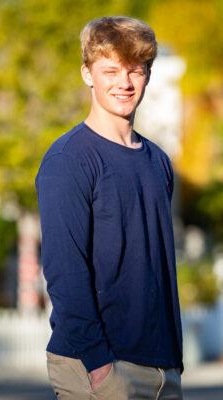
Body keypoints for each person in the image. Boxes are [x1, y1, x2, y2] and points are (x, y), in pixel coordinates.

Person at [35, 16, 183, 400]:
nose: (124, 83)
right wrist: (100, 367)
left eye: (135, 71)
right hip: (98, 366)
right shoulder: (68, 161)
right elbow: (64, 271)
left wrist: (174, 362)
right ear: (87, 74)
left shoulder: (158, 161)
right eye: (110, 70)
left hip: (161, 365)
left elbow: (156, 265)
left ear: (148, 74)